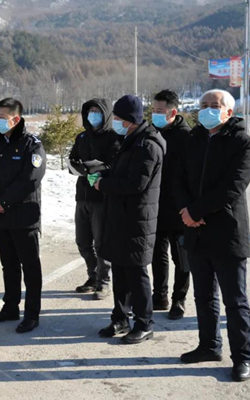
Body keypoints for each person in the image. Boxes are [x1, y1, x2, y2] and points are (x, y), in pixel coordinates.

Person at [175, 89, 250, 382]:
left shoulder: (242, 143)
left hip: (227, 231)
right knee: (204, 295)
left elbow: (233, 186)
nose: (207, 109)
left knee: (235, 300)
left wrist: (196, 211)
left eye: (214, 105)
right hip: (195, 231)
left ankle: (242, 357)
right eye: (203, 105)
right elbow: (177, 178)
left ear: (228, 112)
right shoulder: (192, 140)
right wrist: (186, 210)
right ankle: (209, 346)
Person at [94, 95, 166, 344]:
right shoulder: (130, 141)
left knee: (136, 273)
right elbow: (123, 173)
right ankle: (120, 318)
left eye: (118, 118)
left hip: (137, 219)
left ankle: (144, 323)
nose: (114, 121)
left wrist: (103, 185)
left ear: (130, 120)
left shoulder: (147, 145)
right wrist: (105, 176)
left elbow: (136, 184)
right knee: (121, 271)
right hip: (121, 217)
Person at [0, 98, 47, 334]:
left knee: (30, 267)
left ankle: (32, 314)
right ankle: (10, 307)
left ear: (15, 119)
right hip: (2, 216)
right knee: (8, 265)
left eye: (2, 117)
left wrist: (4, 202)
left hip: (24, 216)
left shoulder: (31, 145)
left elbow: (30, 179)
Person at [69, 98, 119, 300]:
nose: (93, 114)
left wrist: (95, 169)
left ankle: (103, 282)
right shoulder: (81, 137)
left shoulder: (114, 137)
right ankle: (93, 275)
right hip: (82, 196)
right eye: (90, 111)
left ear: (106, 114)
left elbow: (114, 165)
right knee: (82, 241)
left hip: (101, 197)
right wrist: (80, 168)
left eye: (98, 111)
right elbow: (72, 160)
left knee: (101, 243)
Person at [150, 90, 192, 319]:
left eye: (159, 111)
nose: (155, 114)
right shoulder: (152, 132)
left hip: (180, 207)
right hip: (156, 204)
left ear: (172, 112)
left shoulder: (187, 137)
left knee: (181, 257)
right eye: (153, 110)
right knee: (158, 254)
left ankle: (179, 299)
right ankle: (160, 295)